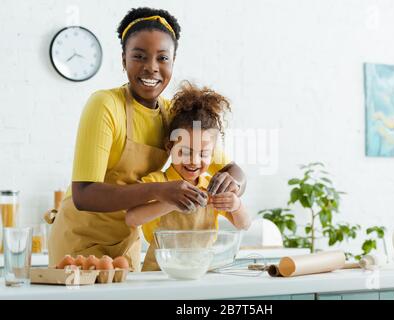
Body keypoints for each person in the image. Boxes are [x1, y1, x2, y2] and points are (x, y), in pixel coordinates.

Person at [48, 7, 246, 271]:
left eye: (162, 58)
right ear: (123, 59)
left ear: (173, 62)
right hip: (79, 242)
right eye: (139, 56)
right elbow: (84, 194)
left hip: (126, 243)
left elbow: (231, 169)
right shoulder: (105, 105)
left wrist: (232, 185)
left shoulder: (173, 115)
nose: (151, 67)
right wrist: (158, 190)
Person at [126, 82, 251, 271]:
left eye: (203, 154)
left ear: (213, 154)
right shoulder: (156, 182)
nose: (194, 161)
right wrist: (172, 201)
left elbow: (244, 224)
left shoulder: (211, 186)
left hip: (202, 272)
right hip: (160, 273)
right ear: (170, 148)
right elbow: (132, 218)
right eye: (185, 152)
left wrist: (235, 204)